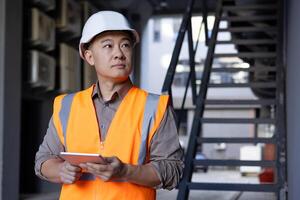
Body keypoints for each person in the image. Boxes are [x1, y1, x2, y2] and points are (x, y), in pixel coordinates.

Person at [35, 10, 183, 200]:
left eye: (125, 45)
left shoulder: (155, 107)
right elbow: (43, 160)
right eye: (108, 46)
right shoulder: (66, 106)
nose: (119, 54)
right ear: (89, 56)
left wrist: (125, 171)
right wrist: (61, 169)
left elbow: (173, 170)